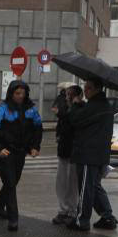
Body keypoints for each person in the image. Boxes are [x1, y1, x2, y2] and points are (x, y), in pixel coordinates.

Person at [0, 80, 43, 231]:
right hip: (5, 152)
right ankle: (13, 218)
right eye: (17, 93)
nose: (20, 96)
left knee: (13, 181)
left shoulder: (30, 109)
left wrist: (35, 147)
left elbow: (37, 128)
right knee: (10, 183)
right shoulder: (0, 109)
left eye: (23, 93)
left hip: (20, 151)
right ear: (11, 93)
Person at [67, 77, 118, 231]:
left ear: (96, 89)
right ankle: (107, 217)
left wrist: (75, 105)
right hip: (99, 153)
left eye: (88, 88)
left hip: (88, 153)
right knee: (94, 186)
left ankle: (81, 220)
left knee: (86, 188)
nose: (85, 91)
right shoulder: (103, 105)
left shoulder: (96, 105)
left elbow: (76, 120)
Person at [51, 85, 81, 224]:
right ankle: (63, 209)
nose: (67, 97)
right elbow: (62, 124)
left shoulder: (79, 109)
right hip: (63, 150)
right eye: (67, 94)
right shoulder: (66, 109)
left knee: (72, 182)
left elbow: (74, 123)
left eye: (70, 95)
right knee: (62, 181)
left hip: (74, 151)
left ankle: (72, 210)